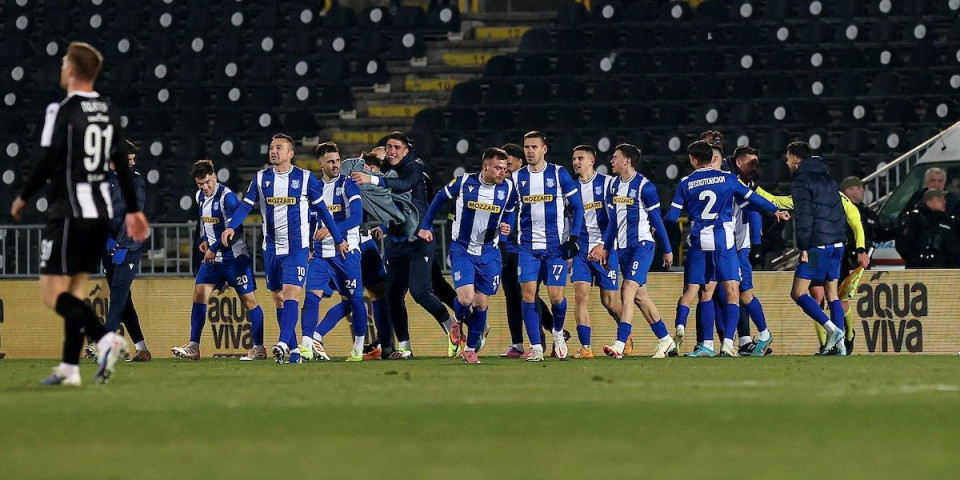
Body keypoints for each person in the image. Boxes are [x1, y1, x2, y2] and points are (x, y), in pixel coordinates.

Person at [9, 41, 149, 386]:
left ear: (72, 70)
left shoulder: (62, 110)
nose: (60, 69)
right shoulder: (109, 110)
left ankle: (105, 338)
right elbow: (123, 167)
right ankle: (70, 367)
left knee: (51, 293)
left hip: (70, 212)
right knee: (74, 289)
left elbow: (47, 159)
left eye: (62, 64)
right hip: (101, 214)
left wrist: (24, 196)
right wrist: (133, 210)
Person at [223, 133, 346, 364]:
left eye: (279, 147)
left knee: (291, 294)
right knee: (278, 298)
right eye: (271, 147)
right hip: (270, 249)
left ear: (291, 154)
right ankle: (295, 352)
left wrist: (338, 239)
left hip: (296, 249)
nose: (273, 151)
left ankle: (281, 342)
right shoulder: (260, 179)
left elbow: (323, 213)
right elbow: (245, 206)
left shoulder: (306, 178)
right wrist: (231, 226)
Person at [663, 141, 785, 358]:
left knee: (705, 293)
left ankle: (705, 343)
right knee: (732, 291)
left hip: (700, 243)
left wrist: (656, 226)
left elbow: (672, 218)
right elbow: (753, 200)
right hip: (725, 242)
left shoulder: (685, 183)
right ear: (713, 158)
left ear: (693, 160)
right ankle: (728, 342)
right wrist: (774, 210)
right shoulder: (729, 180)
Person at [350, 131, 454, 359]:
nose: (390, 152)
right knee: (395, 295)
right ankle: (405, 347)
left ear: (406, 150)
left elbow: (405, 189)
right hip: (396, 243)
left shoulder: (414, 167)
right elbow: (392, 205)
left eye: (396, 148)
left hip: (419, 239)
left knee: (421, 292)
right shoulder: (387, 170)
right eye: (388, 148)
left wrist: (371, 178)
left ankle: (454, 327)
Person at [418, 147, 517, 363]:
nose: (503, 172)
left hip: (489, 252)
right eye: (498, 168)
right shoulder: (464, 182)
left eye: (505, 168)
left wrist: (508, 227)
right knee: (466, 298)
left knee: (481, 303)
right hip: (462, 249)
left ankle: (470, 349)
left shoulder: (508, 188)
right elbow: (439, 199)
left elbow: (510, 212)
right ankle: (457, 319)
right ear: (485, 167)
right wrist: (426, 225)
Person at [171, 160, 267, 361]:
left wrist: (214, 248)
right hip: (214, 260)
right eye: (200, 184)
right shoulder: (200, 197)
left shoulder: (227, 198)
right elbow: (205, 224)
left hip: (235, 259)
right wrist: (205, 241)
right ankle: (194, 347)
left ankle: (259, 348)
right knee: (199, 293)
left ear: (214, 177)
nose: (204, 187)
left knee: (249, 302)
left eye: (207, 182)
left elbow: (235, 230)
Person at [589, 144, 673, 358]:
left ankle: (620, 343)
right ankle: (666, 340)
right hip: (623, 249)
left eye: (615, 157)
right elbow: (612, 223)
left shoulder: (645, 187)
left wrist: (668, 249)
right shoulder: (614, 186)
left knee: (627, 290)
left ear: (627, 161)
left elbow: (657, 221)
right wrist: (606, 248)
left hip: (642, 246)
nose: (611, 161)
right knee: (640, 297)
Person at [512, 131, 584, 361]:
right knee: (528, 295)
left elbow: (578, 207)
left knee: (555, 298)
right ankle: (536, 348)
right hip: (528, 248)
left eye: (534, 147)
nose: (530, 151)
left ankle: (557, 332)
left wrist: (574, 237)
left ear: (544, 149)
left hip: (556, 248)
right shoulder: (517, 178)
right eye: (526, 147)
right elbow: (508, 210)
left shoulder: (558, 173)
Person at [302, 142, 368, 362]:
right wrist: (310, 246)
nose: (335, 165)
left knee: (355, 301)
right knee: (311, 297)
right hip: (321, 255)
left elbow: (357, 218)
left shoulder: (348, 185)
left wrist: (331, 231)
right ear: (320, 163)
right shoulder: (315, 187)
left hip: (346, 252)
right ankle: (307, 344)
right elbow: (312, 220)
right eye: (330, 161)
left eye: (337, 161)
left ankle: (358, 346)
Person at [784, 141, 850, 355]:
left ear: (795, 158)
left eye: (787, 157)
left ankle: (832, 330)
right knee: (833, 294)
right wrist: (841, 240)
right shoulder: (829, 179)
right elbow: (840, 211)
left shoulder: (802, 181)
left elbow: (804, 216)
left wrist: (803, 246)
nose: (786, 162)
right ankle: (839, 346)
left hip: (817, 243)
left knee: (798, 292)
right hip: (838, 242)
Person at [497, 142, 556, 358]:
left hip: (523, 248)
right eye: (502, 167)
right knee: (512, 296)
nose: (505, 171)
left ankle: (538, 341)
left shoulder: (527, 184)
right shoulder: (501, 185)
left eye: (509, 166)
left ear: (520, 163)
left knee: (527, 295)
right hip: (505, 248)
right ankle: (519, 343)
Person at [569, 145, 623, 359]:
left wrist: (603, 245)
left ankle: (625, 335)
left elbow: (617, 217)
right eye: (573, 158)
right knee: (580, 295)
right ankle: (586, 347)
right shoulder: (571, 189)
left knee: (609, 301)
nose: (576, 162)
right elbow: (568, 220)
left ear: (591, 161)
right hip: (581, 250)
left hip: (606, 249)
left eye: (580, 158)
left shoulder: (608, 183)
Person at [102, 139, 150, 361]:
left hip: (130, 247)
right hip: (109, 247)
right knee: (124, 299)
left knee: (118, 296)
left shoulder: (136, 181)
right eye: (129, 160)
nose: (133, 164)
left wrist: (120, 245)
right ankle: (142, 348)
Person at [896, 189, 960, 268]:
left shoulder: (949, 221)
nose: (944, 202)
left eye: (944, 199)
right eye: (939, 199)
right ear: (929, 203)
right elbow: (902, 243)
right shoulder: (915, 219)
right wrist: (916, 260)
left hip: (944, 270)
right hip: (918, 269)